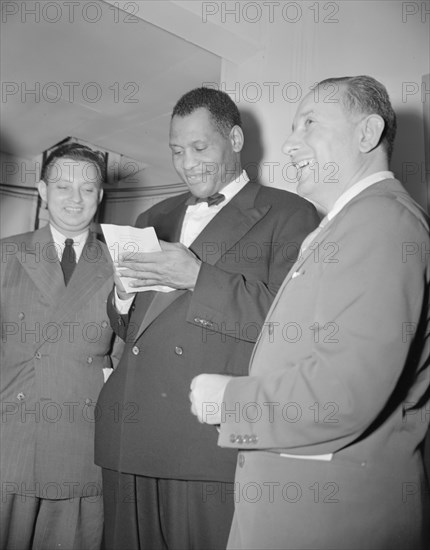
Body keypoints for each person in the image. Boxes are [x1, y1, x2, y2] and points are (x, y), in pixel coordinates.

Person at [190, 75, 430, 550]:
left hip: (328, 523)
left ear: (367, 134)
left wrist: (230, 402)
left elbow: (344, 391)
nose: (289, 142)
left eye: (309, 123)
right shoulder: (348, 224)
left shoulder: (381, 221)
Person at [94, 87, 320, 550]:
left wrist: (198, 275)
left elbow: (290, 327)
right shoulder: (154, 214)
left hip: (202, 440)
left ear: (235, 139)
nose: (186, 163)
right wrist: (120, 295)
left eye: (200, 148)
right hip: (127, 433)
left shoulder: (290, 212)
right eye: (177, 151)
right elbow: (131, 328)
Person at [0, 142, 119, 550]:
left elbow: (127, 359)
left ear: (100, 196)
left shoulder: (124, 264)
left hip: (81, 444)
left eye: (88, 189)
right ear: (42, 191)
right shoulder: (5, 254)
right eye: (63, 187)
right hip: (10, 439)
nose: (75, 199)